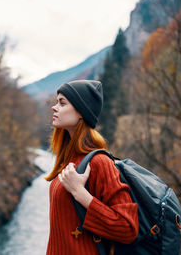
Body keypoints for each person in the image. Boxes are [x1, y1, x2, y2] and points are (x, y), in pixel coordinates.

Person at [45, 80, 139, 255]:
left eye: (62, 102)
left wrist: (80, 194)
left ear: (81, 111)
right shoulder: (69, 159)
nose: (54, 107)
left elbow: (127, 228)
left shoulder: (99, 162)